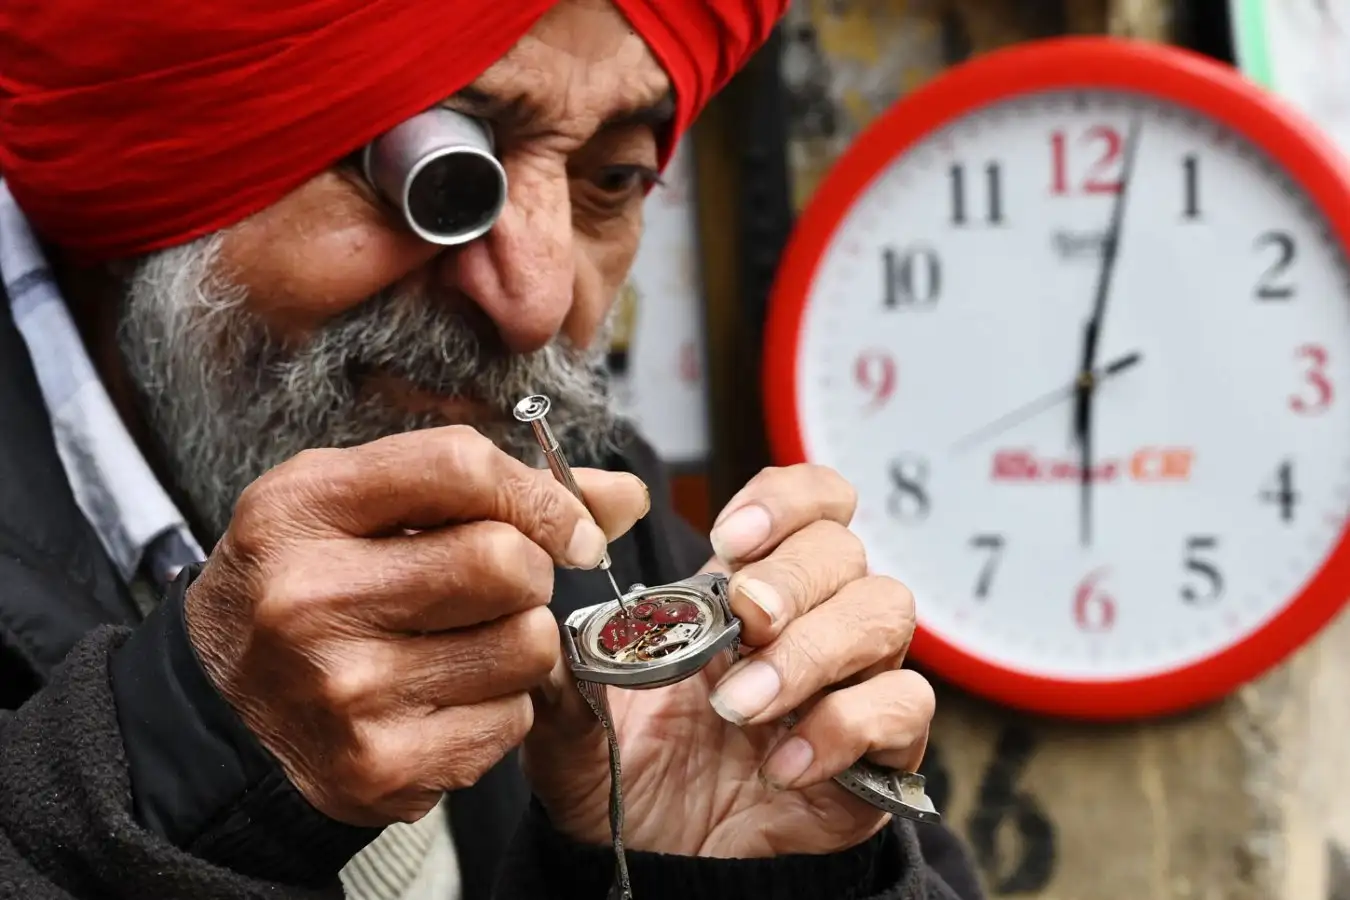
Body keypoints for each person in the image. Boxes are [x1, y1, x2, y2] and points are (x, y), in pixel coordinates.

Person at [0, 1, 985, 898]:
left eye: (611, 180)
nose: (539, 301)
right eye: (441, 171)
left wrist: (719, 876)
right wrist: (187, 768)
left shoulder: (597, 517)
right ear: (167, 148)